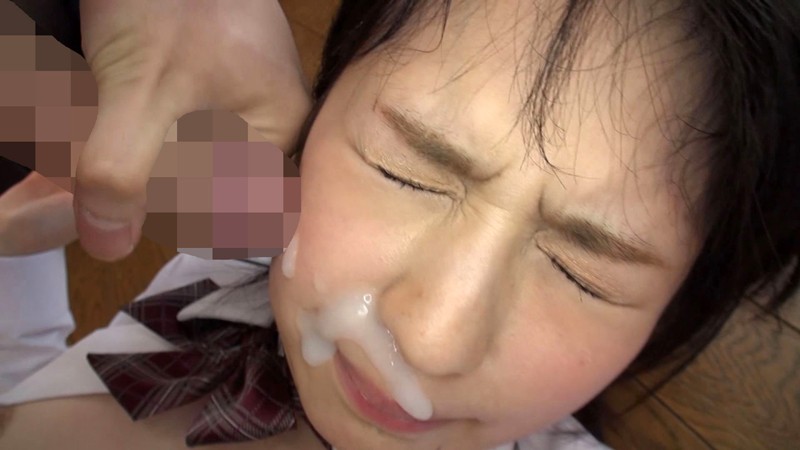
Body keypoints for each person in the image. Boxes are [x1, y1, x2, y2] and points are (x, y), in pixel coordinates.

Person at [1, 0, 799, 449]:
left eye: (581, 273)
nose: (431, 339)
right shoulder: (235, 246)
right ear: (320, 108)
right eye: (406, 171)